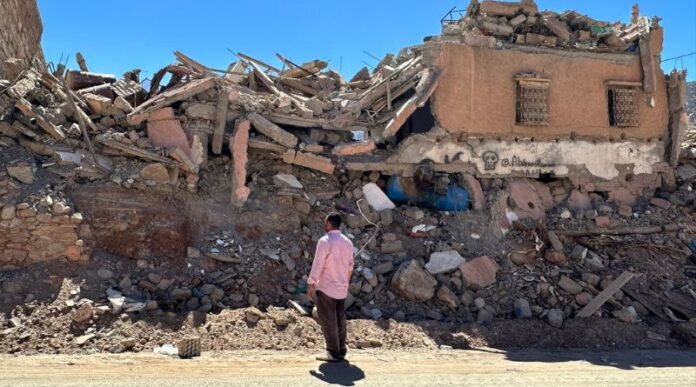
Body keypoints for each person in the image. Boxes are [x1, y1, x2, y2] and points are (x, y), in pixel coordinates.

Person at [307, 212, 355, 362]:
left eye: (325, 221)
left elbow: (318, 264)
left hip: (327, 287)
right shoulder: (348, 242)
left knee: (329, 321)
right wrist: (345, 283)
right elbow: (350, 267)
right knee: (340, 320)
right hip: (341, 288)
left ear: (328, 223)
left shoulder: (325, 241)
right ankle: (341, 350)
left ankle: (332, 352)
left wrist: (311, 283)